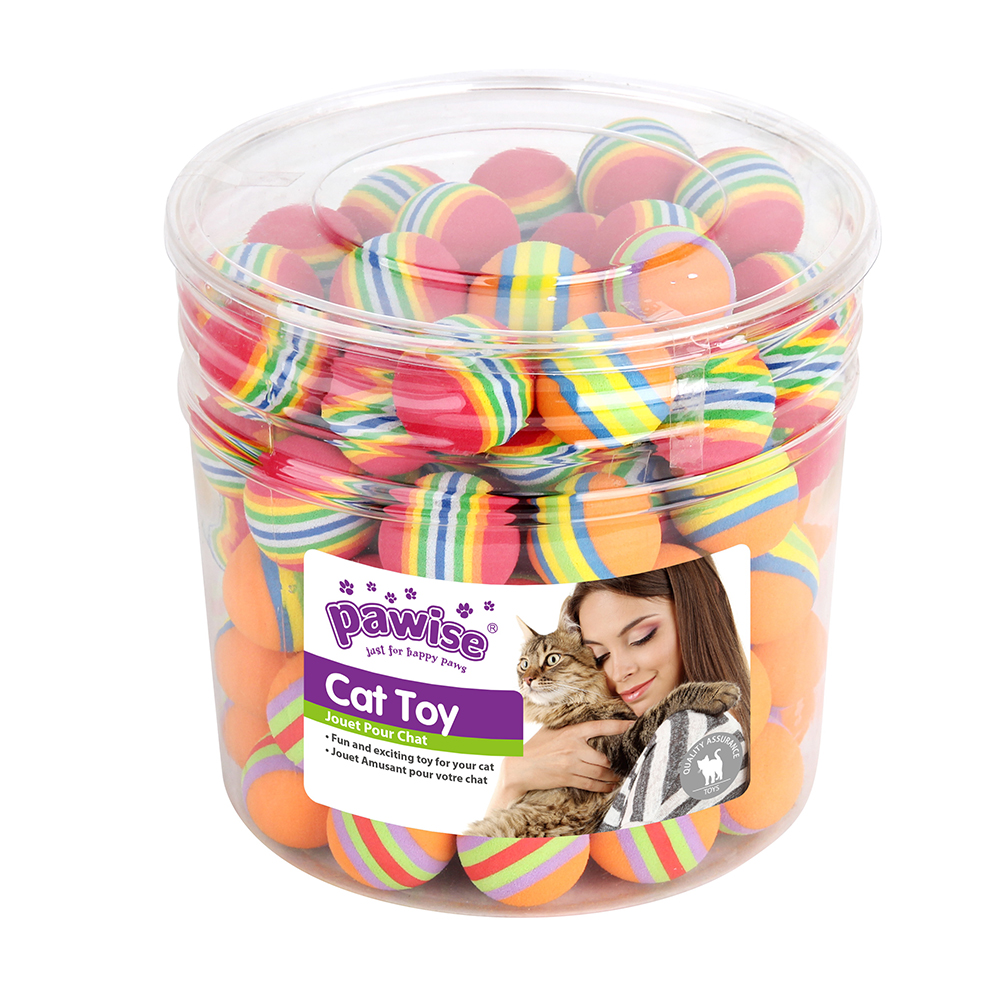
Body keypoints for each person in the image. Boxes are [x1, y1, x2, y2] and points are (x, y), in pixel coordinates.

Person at [486, 557, 750, 827]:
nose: (619, 672)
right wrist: (509, 779)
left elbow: (627, 754)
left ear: (701, 605)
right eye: (600, 656)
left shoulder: (695, 729)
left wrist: (511, 780)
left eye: (641, 638)